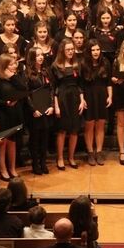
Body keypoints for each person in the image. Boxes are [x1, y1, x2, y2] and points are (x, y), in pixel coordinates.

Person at [51, 38, 86, 170]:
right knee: (62, 130)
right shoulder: (55, 66)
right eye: (68, 50)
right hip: (62, 98)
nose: (71, 52)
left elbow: (80, 84)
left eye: (72, 49)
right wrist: (56, 106)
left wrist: (82, 100)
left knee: (74, 130)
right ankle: (60, 158)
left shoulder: (78, 64)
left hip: (75, 98)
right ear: (62, 51)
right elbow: (54, 87)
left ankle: (71, 157)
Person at [0, 54, 26, 181]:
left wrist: (13, 77)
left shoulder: (15, 78)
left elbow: (24, 89)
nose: (14, 66)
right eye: (11, 64)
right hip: (3, 113)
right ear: (3, 66)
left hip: (15, 113)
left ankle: (12, 168)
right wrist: (5, 103)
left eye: (14, 63)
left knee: (13, 141)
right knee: (3, 142)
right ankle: (3, 168)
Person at [81, 39, 112, 166]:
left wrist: (110, 96)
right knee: (89, 125)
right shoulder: (83, 64)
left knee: (100, 124)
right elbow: (80, 84)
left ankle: (98, 152)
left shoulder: (105, 62)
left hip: (102, 95)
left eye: (98, 49)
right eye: (93, 50)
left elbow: (109, 82)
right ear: (89, 51)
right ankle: (90, 152)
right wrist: (82, 99)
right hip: (88, 95)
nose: (96, 52)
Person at [24, 47, 53, 175]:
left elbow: (51, 89)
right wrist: (33, 109)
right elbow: (26, 94)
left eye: (42, 55)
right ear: (32, 58)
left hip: (46, 109)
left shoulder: (46, 71)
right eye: (37, 55)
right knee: (35, 138)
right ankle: (35, 164)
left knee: (45, 137)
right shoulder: (28, 74)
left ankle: (43, 162)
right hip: (34, 111)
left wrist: (51, 105)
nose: (41, 57)